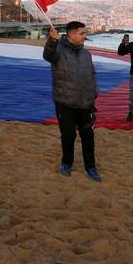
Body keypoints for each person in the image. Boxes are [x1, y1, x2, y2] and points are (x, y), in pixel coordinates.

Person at [43, 21, 101, 182]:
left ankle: (91, 166)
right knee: (68, 136)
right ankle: (66, 162)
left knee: (88, 136)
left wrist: (95, 91)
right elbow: (48, 55)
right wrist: (52, 41)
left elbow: (92, 73)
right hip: (65, 103)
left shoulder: (86, 54)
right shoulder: (58, 51)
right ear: (72, 34)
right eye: (82, 33)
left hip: (85, 103)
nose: (85, 36)